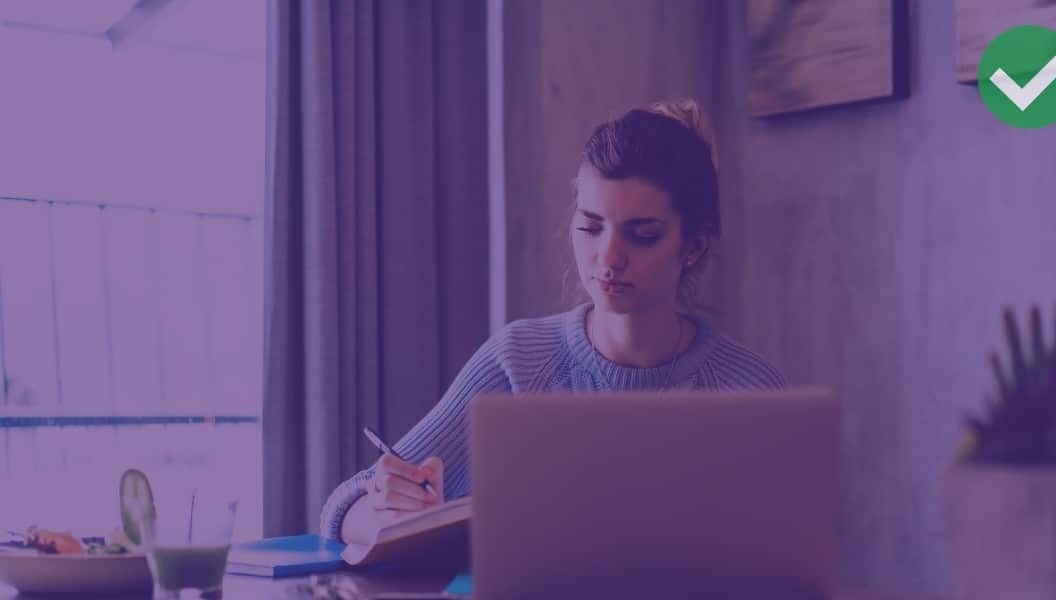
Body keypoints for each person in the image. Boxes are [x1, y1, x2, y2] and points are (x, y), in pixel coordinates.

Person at [320, 98, 786, 544]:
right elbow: (341, 508)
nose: (608, 257)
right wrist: (394, 512)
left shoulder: (750, 391)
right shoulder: (520, 360)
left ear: (695, 246)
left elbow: (789, 565)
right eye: (589, 227)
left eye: (642, 235)